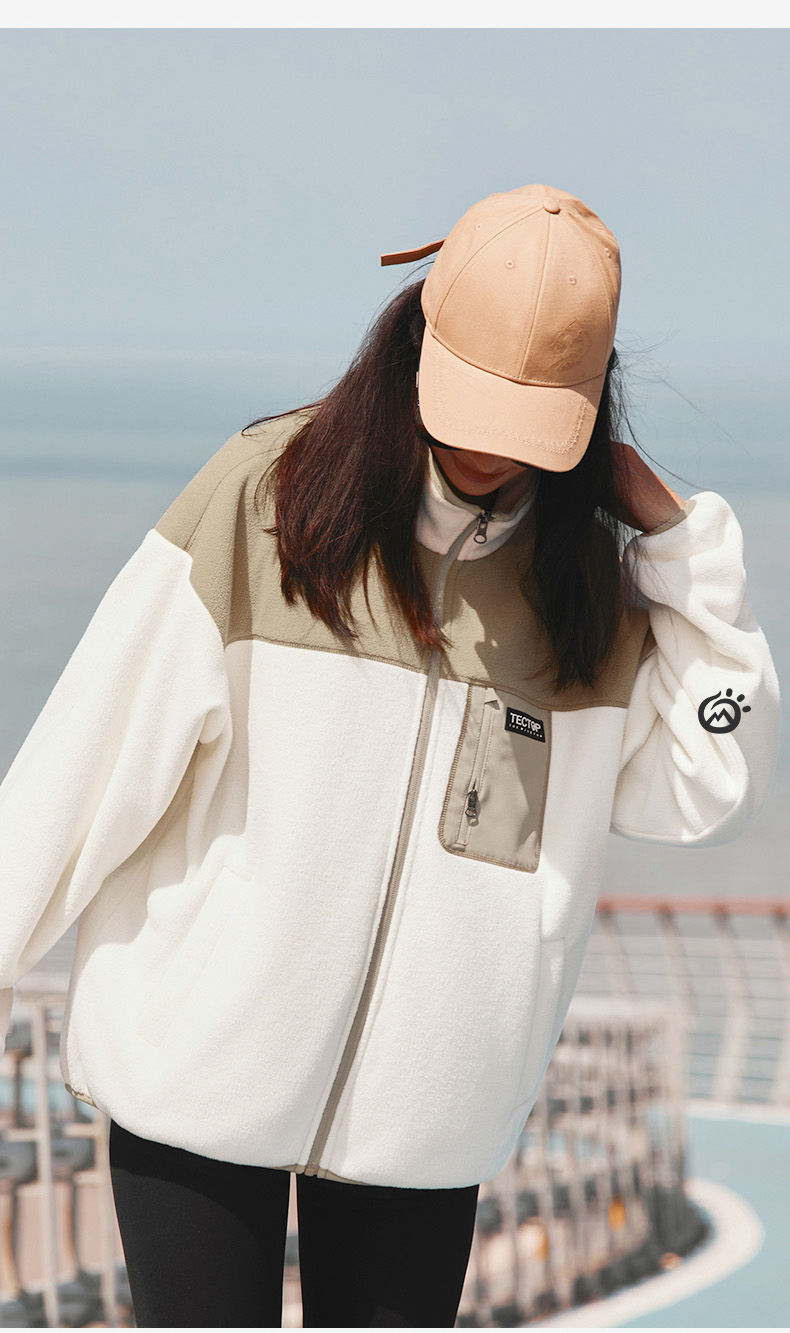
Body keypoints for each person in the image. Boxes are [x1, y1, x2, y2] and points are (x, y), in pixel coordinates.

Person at [0, 184, 781, 1328]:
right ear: (417, 337)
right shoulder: (268, 498)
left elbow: (707, 786)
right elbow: (85, 760)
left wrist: (684, 551)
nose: (490, 448)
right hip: (192, 1078)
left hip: (429, 1116)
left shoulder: (585, 586)